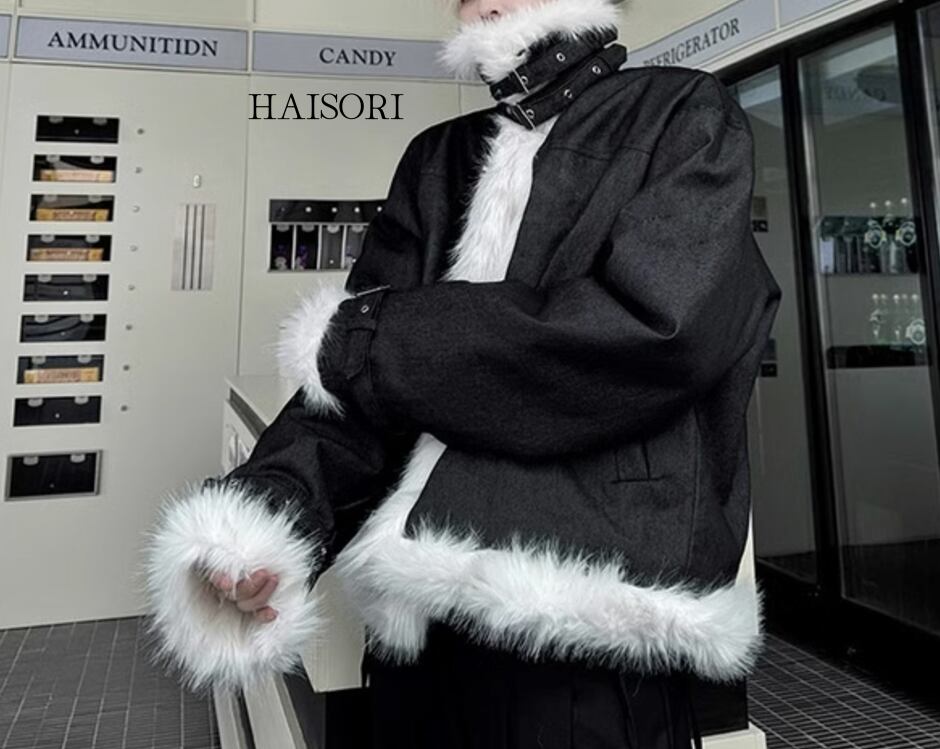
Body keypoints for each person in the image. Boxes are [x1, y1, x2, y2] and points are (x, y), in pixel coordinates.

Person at [143, 0, 782, 746]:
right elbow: (359, 390)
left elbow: (650, 331)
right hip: (415, 625)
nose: (484, 2)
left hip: (589, 618)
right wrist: (269, 511)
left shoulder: (681, 112)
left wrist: (371, 334)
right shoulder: (437, 157)